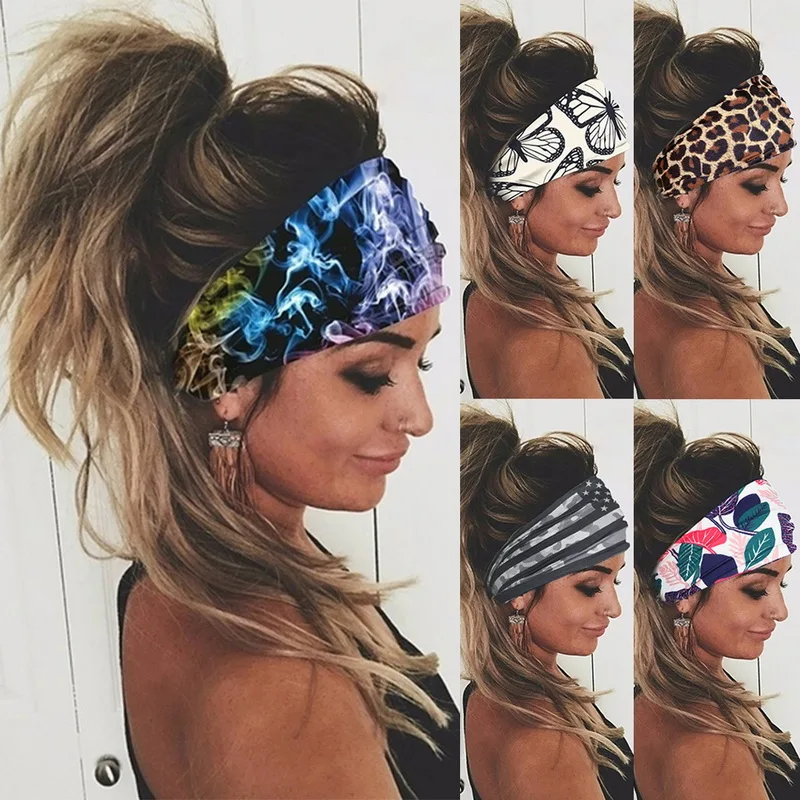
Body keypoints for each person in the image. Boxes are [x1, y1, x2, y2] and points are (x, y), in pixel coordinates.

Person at [0, 7, 459, 799]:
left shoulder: (178, 576)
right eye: (370, 373)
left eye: (423, 360)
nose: (419, 416)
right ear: (229, 378)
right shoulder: (280, 692)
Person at [460, 404, 633, 800]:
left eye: (616, 579)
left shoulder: (492, 695)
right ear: (518, 588)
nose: (614, 608)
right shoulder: (543, 743)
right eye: (589, 586)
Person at [460, 6, 633, 400]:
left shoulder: (495, 294)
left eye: (616, 180)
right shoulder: (542, 341)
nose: (615, 208)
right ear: (520, 191)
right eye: (590, 187)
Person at [634, 2, 799, 399]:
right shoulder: (709, 341)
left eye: (782, 177)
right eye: (756, 184)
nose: (781, 206)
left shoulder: (666, 294)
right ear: (684, 185)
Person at [634, 405, 798, 800]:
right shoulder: (709, 749)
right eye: (756, 589)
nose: (780, 611)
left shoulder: (679, 700)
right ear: (685, 593)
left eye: (782, 584)